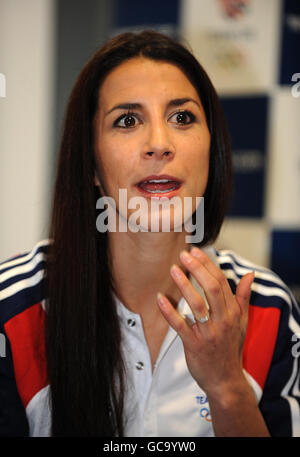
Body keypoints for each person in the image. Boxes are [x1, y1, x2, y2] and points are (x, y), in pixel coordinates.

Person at [0, 30, 299, 438]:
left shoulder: (268, 309)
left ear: (213, 151)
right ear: (90, 163)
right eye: (127, 120)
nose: (159, 144)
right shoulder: (12, 311)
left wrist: (227, 388)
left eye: (182, 117)